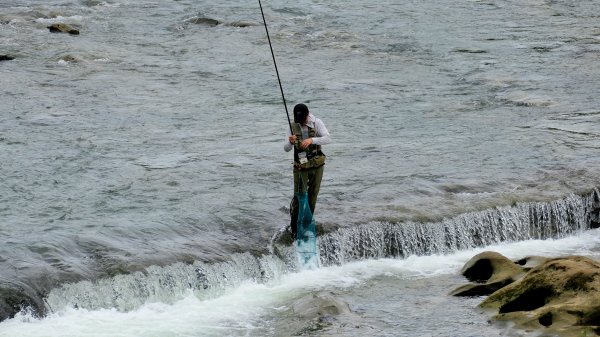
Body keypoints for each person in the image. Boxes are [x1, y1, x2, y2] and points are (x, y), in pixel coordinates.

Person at [284, 103, 331, 237]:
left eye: (303, 119)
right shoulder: (291, 126)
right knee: (299, 196)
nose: (301, 122)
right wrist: (290, 142)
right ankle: (294, 228)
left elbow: (328, 138)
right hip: (301, 166)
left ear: (307, 115)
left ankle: (306, 225)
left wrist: (312, 140)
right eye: (298, 120)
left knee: (312, 195)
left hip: (317, 165)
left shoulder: (317, 123)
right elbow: (286, 148)